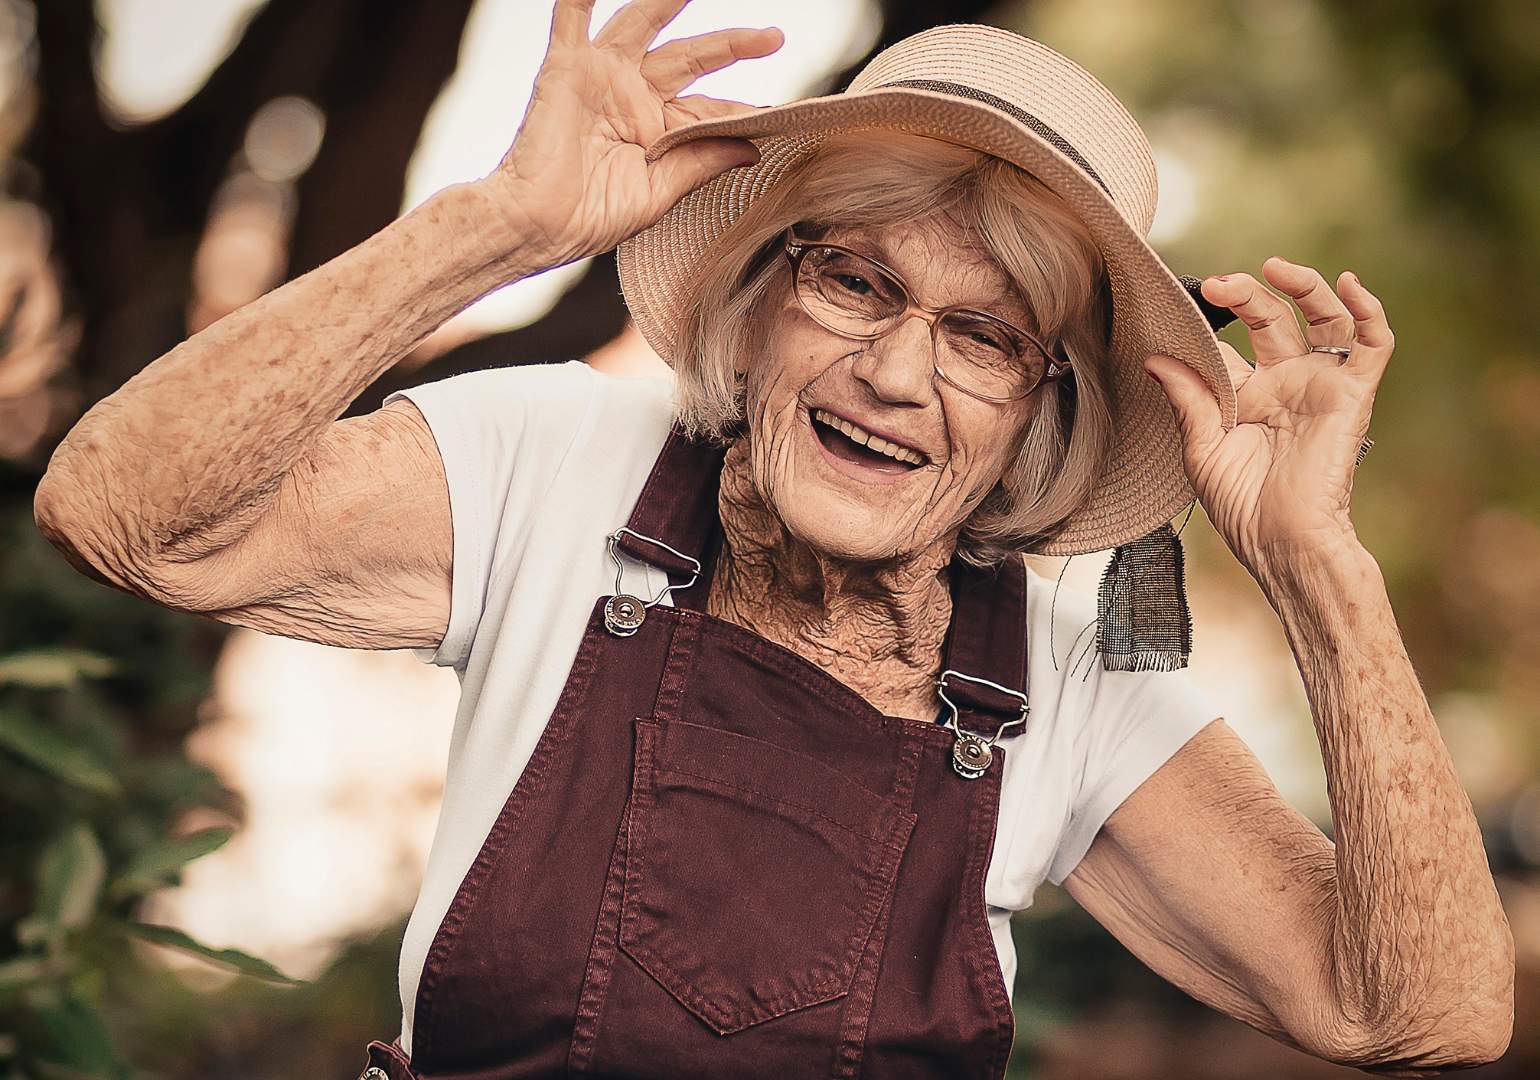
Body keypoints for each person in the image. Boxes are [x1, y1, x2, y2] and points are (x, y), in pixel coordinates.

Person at [33, 2, 1513, 1077]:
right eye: (857, 283)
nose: (895, 373)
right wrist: (492, 226)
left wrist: (1319, 567)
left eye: (986, 337)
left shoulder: (1080, 685)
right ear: (761, 296)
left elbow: (1422, 1014)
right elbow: (117, 513)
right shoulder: (563, 462)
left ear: (1036, 413)